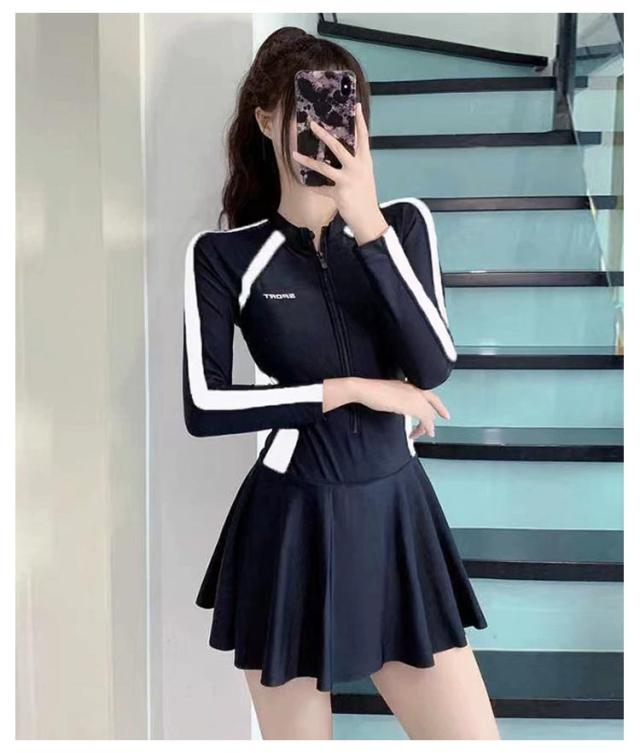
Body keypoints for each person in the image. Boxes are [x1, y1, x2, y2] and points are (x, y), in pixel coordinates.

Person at [182, 26, 500, 740]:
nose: (327, 128)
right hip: (287, 524)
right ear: (267, 119)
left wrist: (367, 221)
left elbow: (434, 365)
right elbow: (205, 404)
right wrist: (352, 388)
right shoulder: (225, 257)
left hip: (395, 516)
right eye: (306, 110)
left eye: (343, 110)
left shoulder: (403, 226)